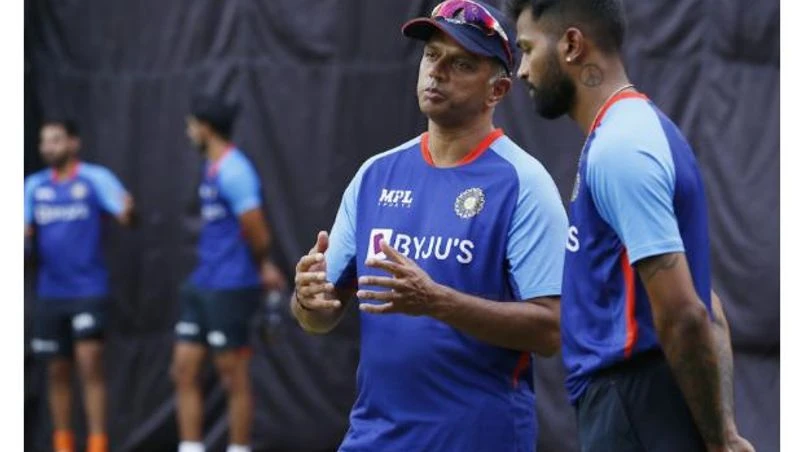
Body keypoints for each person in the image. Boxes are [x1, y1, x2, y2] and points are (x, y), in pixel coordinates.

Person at [291, 1, 568, 451]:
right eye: (431, 55)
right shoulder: (375, 175)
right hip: (374, 437)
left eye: (461, 63)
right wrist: (306, 298)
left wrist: (437, 302)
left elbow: (551, 331)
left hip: (477, 440)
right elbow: (320, 317)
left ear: (497, 91)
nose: (437, 71)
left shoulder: (524, 183)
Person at [506, 1, 755, 451]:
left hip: (634, 406)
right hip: (634, 406)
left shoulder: (621, 149)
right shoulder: (637, 132)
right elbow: (709, 306)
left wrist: (720, 440)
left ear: (571, 44)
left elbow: (685, 313)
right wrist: (725, 433)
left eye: (526, 48)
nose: (522, 70)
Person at [171, 94, 285, 452]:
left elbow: (258, 231)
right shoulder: (212, 166)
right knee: (184, 370)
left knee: (231, 376)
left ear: (205, 128)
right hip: (202, 284)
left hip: (231, 288)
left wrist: (261, 264)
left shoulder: (236, 171)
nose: (188, 132)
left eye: (191, 125)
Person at [25, 119, 135, 452]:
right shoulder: (33, 186)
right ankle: (63, 443)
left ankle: (98, 443)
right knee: (57, 371)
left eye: (56, 140)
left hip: (88, 291)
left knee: (90, 366)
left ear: (74, 143)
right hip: (49, 293)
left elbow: (126, 215)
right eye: (44, 141)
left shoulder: (95, 179)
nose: (49, 147)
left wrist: (128, 211)